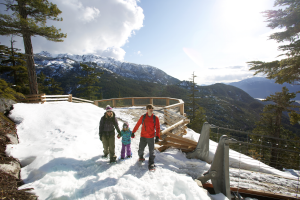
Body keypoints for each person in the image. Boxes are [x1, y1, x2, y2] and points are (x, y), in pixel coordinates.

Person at [132, 104, 160, 170]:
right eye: (149, 108)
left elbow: (158, 128)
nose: (151, 109)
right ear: (147, 109)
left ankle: (151, 163)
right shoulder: (143, 117)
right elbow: (138, 124)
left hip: (151, 137)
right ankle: (141, 157)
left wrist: (157, 137)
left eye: (152, 108)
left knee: (151, 151)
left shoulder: (155, 118)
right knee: (140, 149)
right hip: (143, 136)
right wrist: (133, 132)